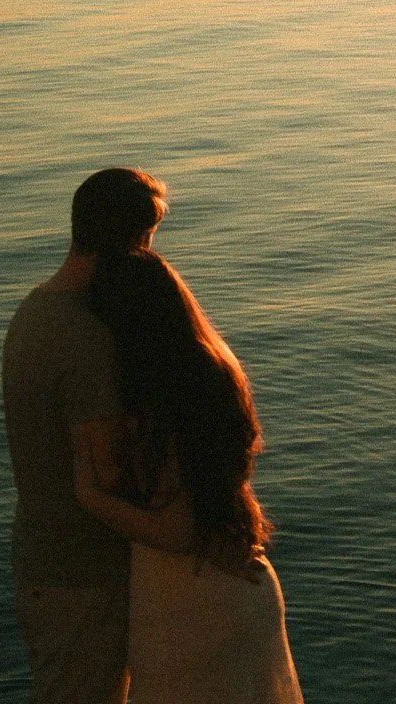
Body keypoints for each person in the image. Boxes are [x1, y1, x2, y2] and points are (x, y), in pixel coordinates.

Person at [73, 248, 303, 704]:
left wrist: (90, 495)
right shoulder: (214, 369)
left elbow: (177, 531)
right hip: (240, 586)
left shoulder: (161, 399)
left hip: (188, 604)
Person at [3, 166, 168, 704]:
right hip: (85, 573)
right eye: (148, 241)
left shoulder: (34, 308)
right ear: (133, 241)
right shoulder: (85, 336)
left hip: (42, 557)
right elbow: (105, 473)